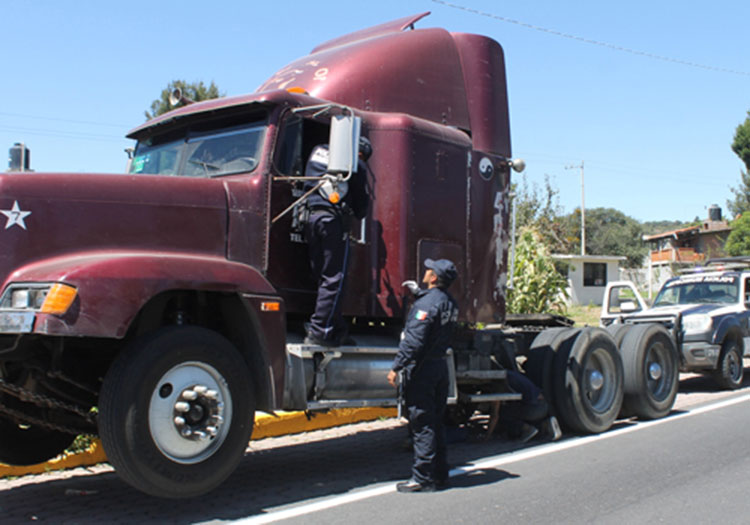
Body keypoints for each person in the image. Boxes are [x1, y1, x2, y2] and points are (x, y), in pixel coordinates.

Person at [387, 258, 459, 492]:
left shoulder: (427, 304)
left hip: (423, 369)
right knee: (436, 422)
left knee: (422, 423)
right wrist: (420, 295)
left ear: (434, 278)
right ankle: (440, 474)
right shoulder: (450, 302)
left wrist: (397, 366)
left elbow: (415, 340)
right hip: (439, 367)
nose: (425, 272)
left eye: (429, 270)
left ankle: (422, 478)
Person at [303, 137, 371, 347]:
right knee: (335, 278)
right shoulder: (354, 163)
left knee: (322, 276)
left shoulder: (317, 150)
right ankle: (320, 331)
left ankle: (336, 326)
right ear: (360, 154)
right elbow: (361, 207)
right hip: (333, 222)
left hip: (309, 218)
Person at [486, 370, 562, 442]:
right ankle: (545, 424)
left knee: (504, 413)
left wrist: (487, 437)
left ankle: (527, 429)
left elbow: (495, 415)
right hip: (543, 406)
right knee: (517, 409)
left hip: (534, 408)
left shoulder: (499, 383)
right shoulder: (511, 375)